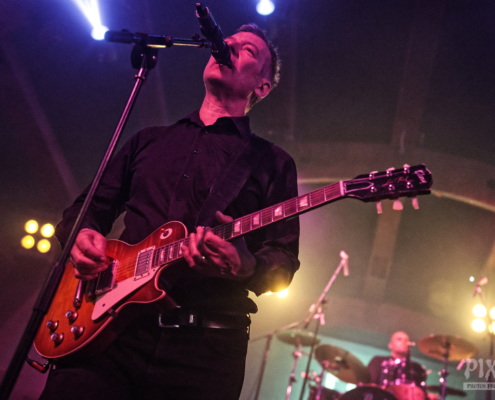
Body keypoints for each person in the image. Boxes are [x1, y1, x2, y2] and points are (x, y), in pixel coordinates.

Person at [39, 23, 300, 400]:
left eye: (247, 50)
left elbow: (285, 260)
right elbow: (86, 209)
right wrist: (81, 235)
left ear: (262, 87)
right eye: (227, 41)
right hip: (109, 332)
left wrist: (246, 266)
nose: (227, 46)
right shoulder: (148, 140)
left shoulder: (274, 162)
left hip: (205, 353)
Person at [367, 332, 437, 400]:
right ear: (390, 345)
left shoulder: (416, 368)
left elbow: (419, 391)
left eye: (406, 340)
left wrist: (426, 396)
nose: (404, 341)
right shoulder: (378, 361)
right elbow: (368, 385)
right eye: (399, 339)